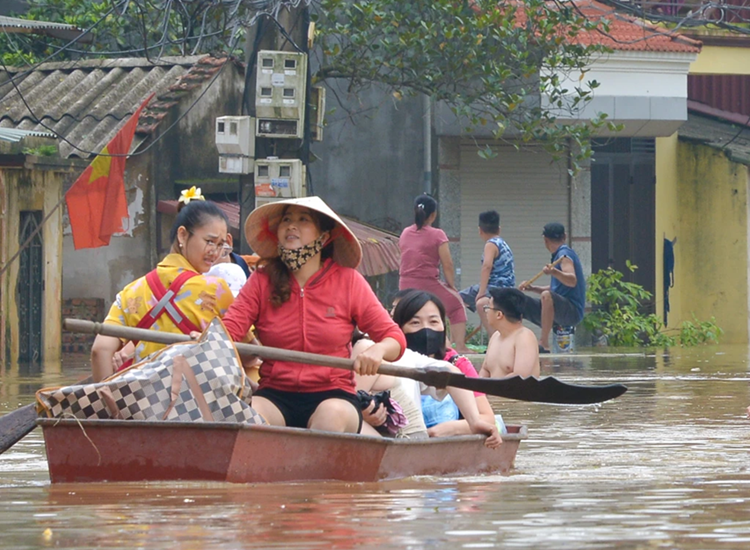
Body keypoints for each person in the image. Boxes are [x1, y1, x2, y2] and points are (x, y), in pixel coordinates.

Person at [220, 196, 406, 434]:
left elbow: (395, 339)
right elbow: (228, 331)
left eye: (303, 219)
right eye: (286, 219)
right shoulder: (261, 280)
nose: (291, 226)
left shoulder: (348, 281)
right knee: (246, 417)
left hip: (334, 395)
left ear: (324, 237)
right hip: (275, 394)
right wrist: (206, 339)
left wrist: (378, 351)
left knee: (330, 418)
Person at [90, 193, 235, 382]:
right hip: (197, 403)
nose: (215, 252)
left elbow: (99, 350)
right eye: (209, 242)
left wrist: (111, 409)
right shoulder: (217, 290)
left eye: (220, 245)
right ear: (182, 235)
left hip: (143, 403)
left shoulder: (132, 291)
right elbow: (246, 353)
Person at [391, 290, 501, 445]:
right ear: (399, 328)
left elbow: (487, 417)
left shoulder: (456, 364)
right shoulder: (392, 362)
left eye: (433, 322)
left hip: (446, 440)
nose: (426, 329)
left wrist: (449, 429)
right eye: (415, 323)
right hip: (404, 437)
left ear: (443, 326)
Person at [399, 194, 470, 353]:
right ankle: (460, 347)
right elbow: (448, 264)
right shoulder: (437, 234)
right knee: (457, 304)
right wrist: (451, 286)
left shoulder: (405, 232)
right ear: (433, 215)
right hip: (426, 282)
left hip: (404, 284)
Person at [519, 222, 586, 353]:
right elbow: (556, 289)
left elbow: (572, 280)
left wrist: (554, 272)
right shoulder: (559, 255)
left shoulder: (564, 255)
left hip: (572, 312)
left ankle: (544, 343)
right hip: (560, 309)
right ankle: (516, 342)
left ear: (545, 240)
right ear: (565, 236)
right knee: (520, 301)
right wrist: (533, 288)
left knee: (546, 296)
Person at [459, 210, 515, 337]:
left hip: (496, 287)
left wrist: (481, 292)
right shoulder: (503, 244)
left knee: (456, 300)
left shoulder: (491, 244)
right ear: (499, 229)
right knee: (470, 300)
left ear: (480, 230)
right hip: (507, 286)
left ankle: (492, 337)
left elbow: (487, 266)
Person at [479, 288, 540, 379]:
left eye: (488, 308)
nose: (486, 312)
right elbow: (485, 370)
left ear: (499, 314)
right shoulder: (495, 336)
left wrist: (492, 388)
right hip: (491, 391)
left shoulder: (524, 337)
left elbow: (519, 377)